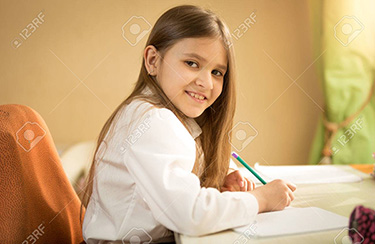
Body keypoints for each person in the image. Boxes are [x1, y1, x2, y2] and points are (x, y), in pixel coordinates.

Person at [82, 5, 296, 243]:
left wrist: (218, 181)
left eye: (216, 72)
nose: (206, 82)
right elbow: (189, 215)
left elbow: (174, 189)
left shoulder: (156, 114)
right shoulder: (153, 120)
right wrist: (260, 199)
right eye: (192, 63)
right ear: (153, 61)